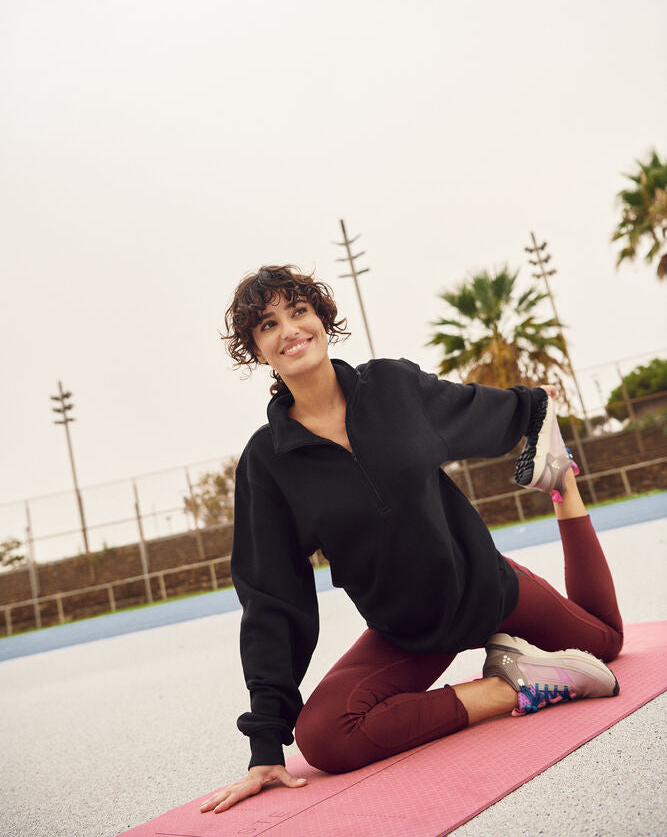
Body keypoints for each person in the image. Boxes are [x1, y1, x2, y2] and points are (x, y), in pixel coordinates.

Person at [200, 265, 623, 815]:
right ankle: (512, 684)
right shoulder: (268, 462)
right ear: (257, 351)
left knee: (606, 645)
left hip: (488, 590)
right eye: (268, 325)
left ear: (322, 320)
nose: (289, 330)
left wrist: (534, 412)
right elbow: (272, 596)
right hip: (408, 633)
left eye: (298, 311)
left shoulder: (392, 388)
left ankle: (564, 483)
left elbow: (476, 411)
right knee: (324, 737)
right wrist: (265, 743)